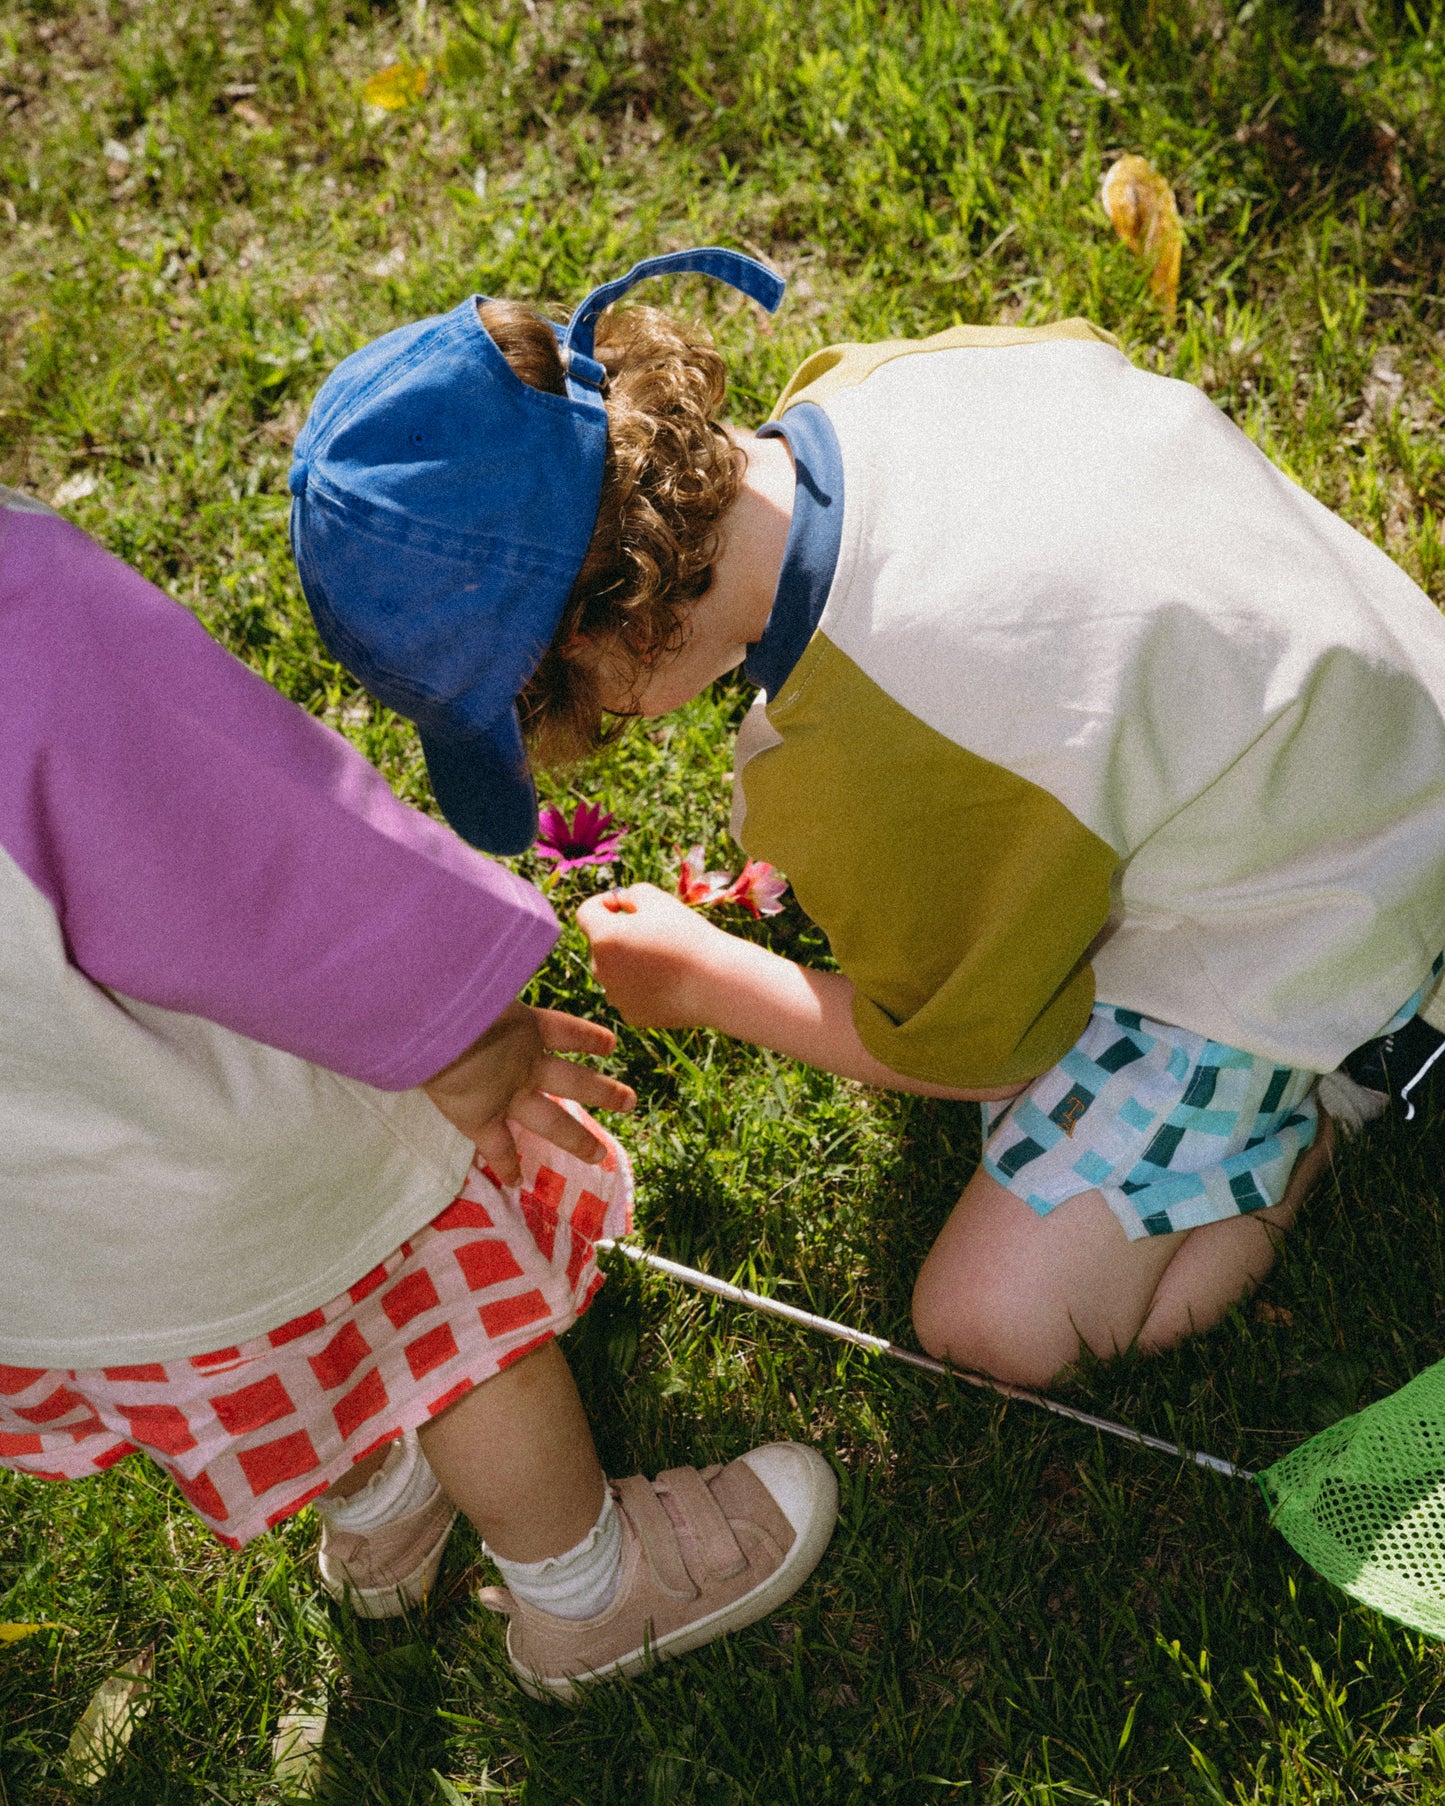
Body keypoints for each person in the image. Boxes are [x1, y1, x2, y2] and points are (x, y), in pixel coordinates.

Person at [285, 248, 1445, 1405]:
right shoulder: (865, 390)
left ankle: (1310, 1107)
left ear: (606, 636)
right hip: (1378, 704)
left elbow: (970, 1051)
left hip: (1341, 907)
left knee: (989, 1322)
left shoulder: (874, 755)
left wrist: (701, 979)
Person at [0, 477, 837, 1704]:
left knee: (275, 1350)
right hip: (242, 1161)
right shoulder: (21, 628)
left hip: (51, 1253)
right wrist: (453, 1029)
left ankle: (385, 1507)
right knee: (454, 1342)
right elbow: (251, 854)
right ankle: (590, 1594)